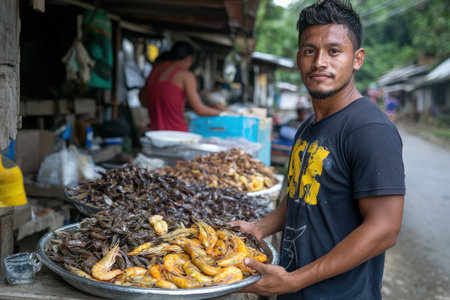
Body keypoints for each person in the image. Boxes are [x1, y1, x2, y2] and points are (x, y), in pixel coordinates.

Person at [231, 0, 406, 299]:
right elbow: (301, 195)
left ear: (357, 59)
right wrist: (259, 227)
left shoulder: (369, 130)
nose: (319, 62)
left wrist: (296, 280)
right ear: (299, 59)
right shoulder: (309, 126)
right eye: (310, 51)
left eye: (334, 51)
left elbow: (384, 228)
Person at [140, 41, 223, 131]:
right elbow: (199, 109)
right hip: (176, 134)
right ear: (188, 58)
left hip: (155, 133)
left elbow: (143, 101)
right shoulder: (185, 75)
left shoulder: (155, 71)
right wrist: (224, 112)